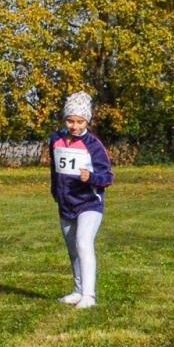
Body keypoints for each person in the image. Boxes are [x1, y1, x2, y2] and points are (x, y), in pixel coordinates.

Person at [50, 92, 113, 309]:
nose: (75, 126)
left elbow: (108, 177)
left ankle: (89, 295)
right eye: (70, 121)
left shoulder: (94, 145)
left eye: (80, 122)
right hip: (65, 203)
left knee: (84, 243)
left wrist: (91, 178)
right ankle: (77, 291)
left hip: (89, 203)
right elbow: (55, 169)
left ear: (87, 121)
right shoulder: (56, 140)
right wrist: (55, 192)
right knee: (73, 250)